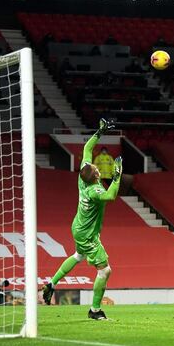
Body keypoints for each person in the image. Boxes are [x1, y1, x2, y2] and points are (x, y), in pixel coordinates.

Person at [41, 119, 123, 320]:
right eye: (96, 170)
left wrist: (100, 131)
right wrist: (117, 176)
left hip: (79, 226)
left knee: (78, 256)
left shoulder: (82, 176)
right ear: (95, 176)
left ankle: (52, 283)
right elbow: (110, 196)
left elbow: (87, 147)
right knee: (105, 271)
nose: (96, 168)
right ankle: (95, 311)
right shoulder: (95, 190)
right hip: (87, 234)